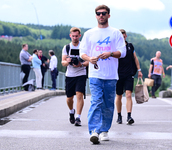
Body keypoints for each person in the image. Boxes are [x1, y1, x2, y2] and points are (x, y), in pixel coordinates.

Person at [80, 5, 126, 144]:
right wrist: (89, 59)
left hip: (111, 75)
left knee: (108, 104)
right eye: (98, 13)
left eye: (104, 13)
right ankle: (94, 131)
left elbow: (122, 52)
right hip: (95, 73)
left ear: (108, 15)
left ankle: (104, 130)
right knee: (96, 101)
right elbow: (82, 52)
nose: (101, 15)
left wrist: (110, 53)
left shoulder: (115, 33)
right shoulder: (89, 33)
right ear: (95, 16)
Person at [61, 27, 89, 126]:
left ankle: (78, 117)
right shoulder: (67, 47)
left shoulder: (83, 46)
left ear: (79, 36)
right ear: (70, 36)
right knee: (69, 98)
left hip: (81, 73)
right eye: (73, 36)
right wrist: (67, 61)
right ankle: (71, 111)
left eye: (76, 36)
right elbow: (63, 62)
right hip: (70, 75)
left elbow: (88, 61)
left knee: (79, 94)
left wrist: (81, 64)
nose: (75, 38)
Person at [115, 29, 143, 125]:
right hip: (118, 74)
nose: (122, 38)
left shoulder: (130, 46)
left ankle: (129, 116)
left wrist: (139, 70)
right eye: (120, 37)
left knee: (128, 94)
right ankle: (119, 116)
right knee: (118, 95)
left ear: (125, 36)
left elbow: (135, 58)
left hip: (129, 74)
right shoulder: (115, 47)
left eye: (123, 36)